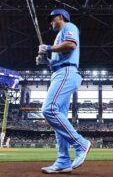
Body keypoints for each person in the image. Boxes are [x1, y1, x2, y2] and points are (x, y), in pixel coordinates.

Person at [36, 9, 91, 174]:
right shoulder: (58, 36)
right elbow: (56, 60)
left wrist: (48, 48)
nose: (51, 23)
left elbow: (71, 45)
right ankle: (63, 161)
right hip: (59, 72)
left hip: (66, 73)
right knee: (58, 118)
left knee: (49, 109)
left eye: (52, 19)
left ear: (60, 17)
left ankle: (80, 144)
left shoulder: (69, 27)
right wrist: (45, 59)